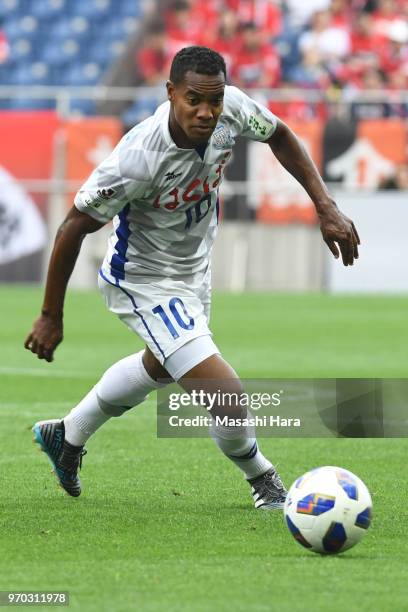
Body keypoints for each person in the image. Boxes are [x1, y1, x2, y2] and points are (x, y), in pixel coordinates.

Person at [25, 46, 359, 509]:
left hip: (194, 270)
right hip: (142, 280)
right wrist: (49, 316)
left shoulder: (232, 108)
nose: (206, 112)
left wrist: (326, 206)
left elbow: (280, 135)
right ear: (170, 93)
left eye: (215, 100)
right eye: (194, 100)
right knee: (225, 394)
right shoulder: (138, 157)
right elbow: (73, 227)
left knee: (162, 366)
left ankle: (68, 434)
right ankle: (263, 479)